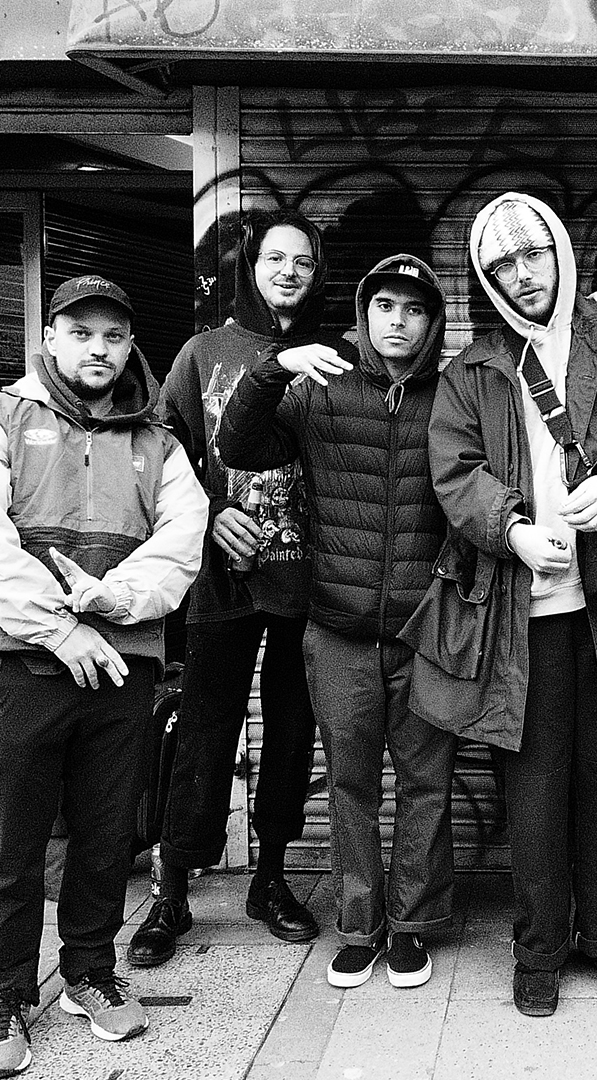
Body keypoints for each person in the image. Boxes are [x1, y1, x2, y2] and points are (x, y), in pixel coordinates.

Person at [401, 192, 597, 1017]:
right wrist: (513, 530)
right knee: (532, 797)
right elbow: (454, 474)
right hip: (516, 617)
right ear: (485, 279)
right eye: (502, 264)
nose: (522, 274)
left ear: (560, 252)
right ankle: (538, 950)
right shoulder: (470, 370)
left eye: (533, 253)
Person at [218, 254, 457, 991]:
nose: (397, 320)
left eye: (413, 308)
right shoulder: (321, 385)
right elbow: (238, 446)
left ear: (432, 321)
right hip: (338, 629)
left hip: (427, 630)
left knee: (426, 783)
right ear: (363, 312)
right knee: (350, 784)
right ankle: (360, 927)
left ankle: (411, 927)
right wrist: (272, 369)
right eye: (384, 305)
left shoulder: (455, 394)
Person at [0, 276, 206, 1076]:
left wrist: (110, 600)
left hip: (124, 665)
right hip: (24, 663)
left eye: (113, 336)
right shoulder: (9, 417)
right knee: (12, 839)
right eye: (81, 332)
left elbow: (181, 541)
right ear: (50, 337)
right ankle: (7, 992)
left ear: (129, 347)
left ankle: (89, 972)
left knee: (105, 833)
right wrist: (61, 629)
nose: (98, 348)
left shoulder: (158, 440)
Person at [127, 209, 323, 968]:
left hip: (308, 580)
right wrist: (211, 515)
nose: (288, 272)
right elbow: (162, 457)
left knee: (291, 733)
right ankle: (172, 888)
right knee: (203, 731)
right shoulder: (203, 353)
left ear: (317, 273)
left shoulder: (336, 355)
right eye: (276, 259)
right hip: (220, 582)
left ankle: (269, 879)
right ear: (251, 265)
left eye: (302, 261)